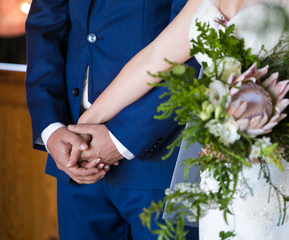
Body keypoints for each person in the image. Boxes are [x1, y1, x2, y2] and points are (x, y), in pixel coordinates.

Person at [67, 0, 289, 239]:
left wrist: (257, 142)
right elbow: (154, 59)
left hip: (287, 180)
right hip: (221, 182)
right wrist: (83, 128)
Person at [25, 0, 200, 239]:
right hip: (74, 156)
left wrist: (123, 137)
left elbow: (196, 45)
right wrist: (51, 128)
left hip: (163, 162)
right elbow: (43, 27)